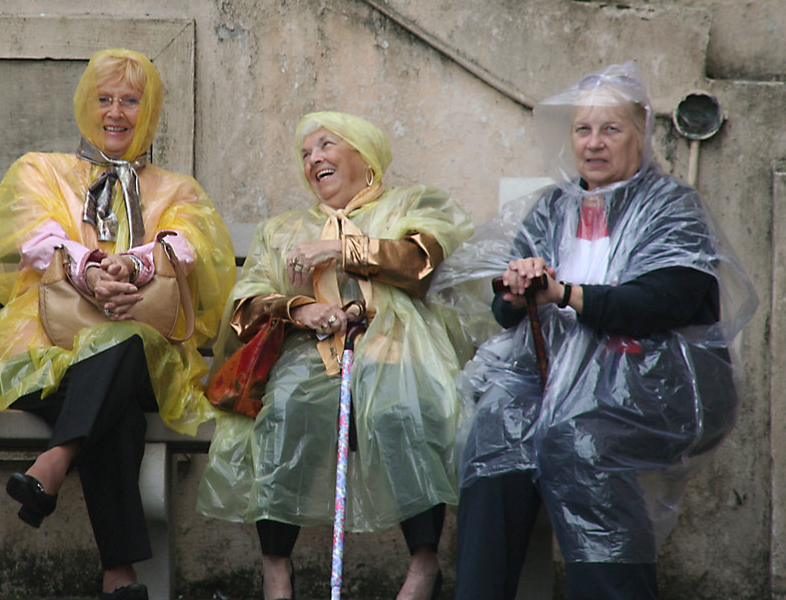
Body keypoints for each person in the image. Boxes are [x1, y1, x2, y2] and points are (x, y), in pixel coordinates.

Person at [428, 62, 758, 600]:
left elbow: (663, 301)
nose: (594, 143)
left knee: (576, 437)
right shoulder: (553, 206)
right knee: (495, 428)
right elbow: (508, 310)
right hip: (548, 377)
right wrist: (515, 292)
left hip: (650, 382)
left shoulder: (672, 207)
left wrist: (565, 294)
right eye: (583, 129)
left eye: (611, 129)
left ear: (640, 135)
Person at [0, 47, 235, 600]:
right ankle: (120, 577)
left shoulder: (175, 189)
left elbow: (188, 244)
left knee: (126, 337)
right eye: (104, 99)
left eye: (130, 100)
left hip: (144, 355)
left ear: (149, 109)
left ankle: (55, 461)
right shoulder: (41, 169)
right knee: (120, 418)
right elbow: (37, 239)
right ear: (86, 106)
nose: (115, 112)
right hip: (45, 346)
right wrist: (88, 270)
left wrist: (131, 265)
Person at [197, 111, 474, 600]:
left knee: (401, 406)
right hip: (313, 356)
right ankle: (276, 570)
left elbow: (420, 263)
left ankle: (424, 564)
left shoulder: (411, 204)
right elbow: (245, 307)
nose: (313, 159)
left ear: (363, 156)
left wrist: (341, 250)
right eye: (305, 153)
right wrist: (300, 309)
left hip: (399, 346)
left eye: (326, 145)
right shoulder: (283, 229)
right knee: (284, 409)